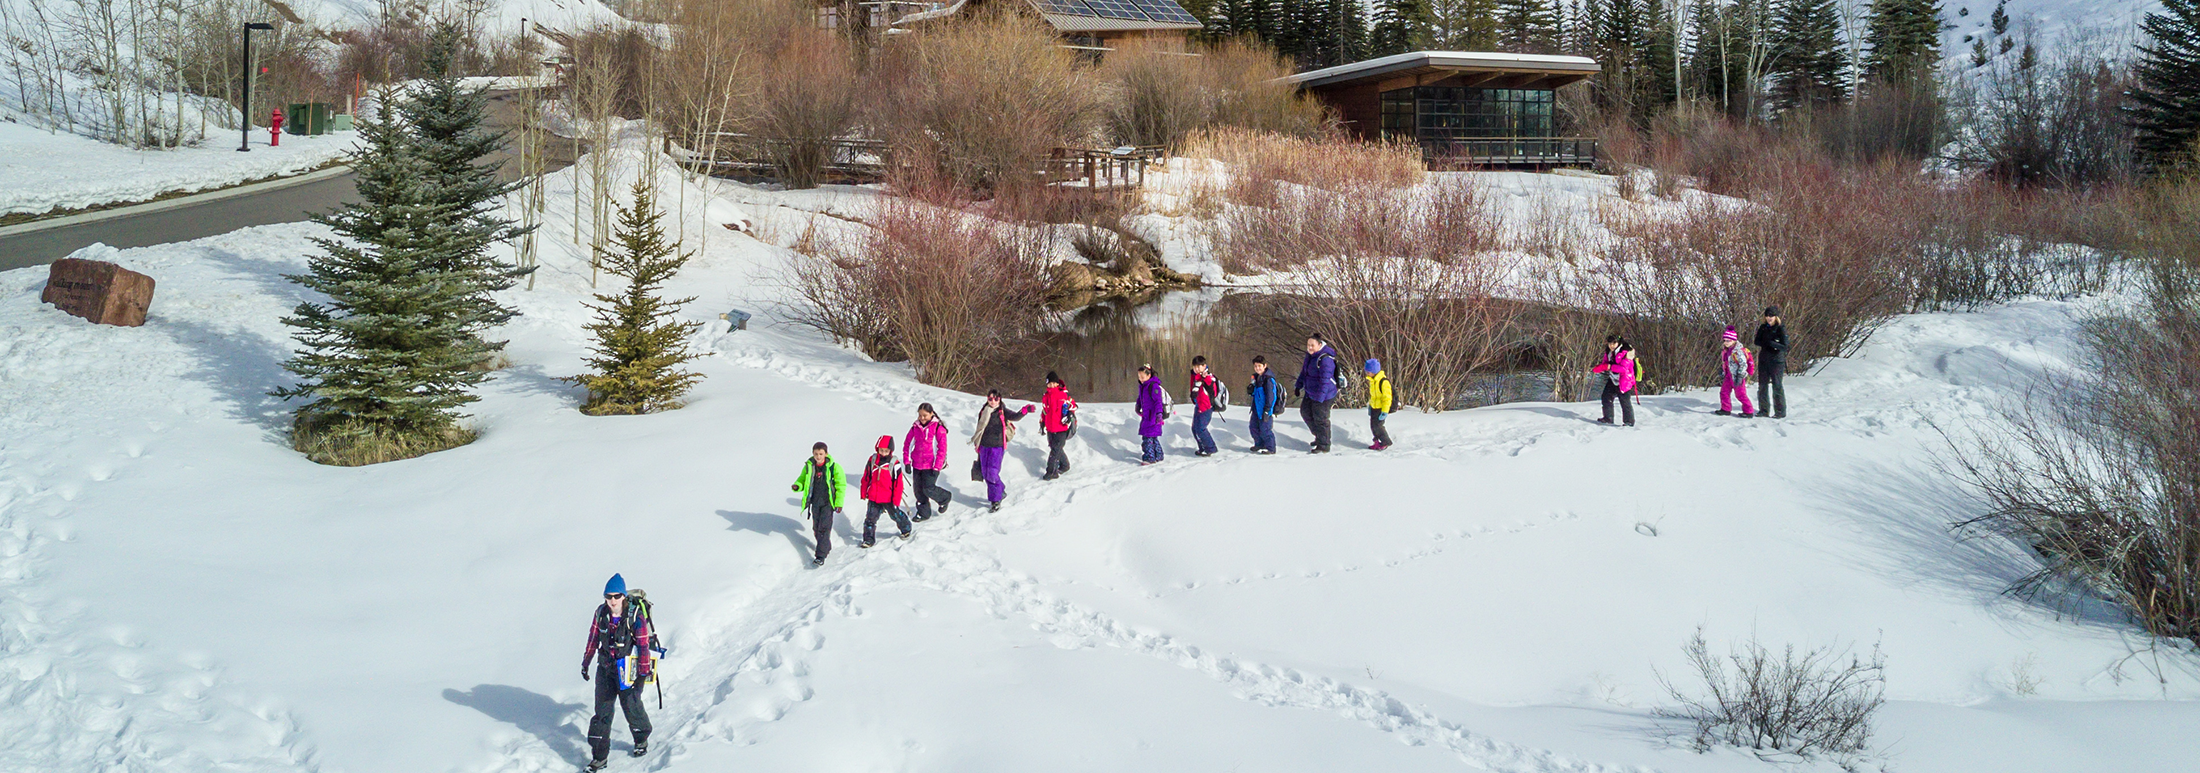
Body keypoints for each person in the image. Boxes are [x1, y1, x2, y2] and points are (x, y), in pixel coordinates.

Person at [582, 574, 652, 770]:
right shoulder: (601, 613)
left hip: (627, 670)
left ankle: (641, 738)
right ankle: (599, 757)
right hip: (605, 669)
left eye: (616, 596)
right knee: (602, 712)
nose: (612, 601)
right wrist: (586, 662)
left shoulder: (634, 616)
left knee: (631, 706)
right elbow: (593, 638)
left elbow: (643, 644)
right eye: (608, 596)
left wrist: (643, 673)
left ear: (623, 596)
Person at [971, 390, 1034, 512]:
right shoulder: (984, 411)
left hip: (997, 446)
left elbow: (1015, 416)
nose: (993, 401)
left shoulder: (1002, 411)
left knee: (992, 473)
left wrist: (1024, 411)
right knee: (985, 473)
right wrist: (977, 444)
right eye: (990, 399)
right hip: (984, 446)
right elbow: (979, 428)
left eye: (996, 399)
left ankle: (995, 500)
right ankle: (1000, 490)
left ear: (1000, 399)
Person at [789, 442, 844, 566]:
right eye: (816, 454)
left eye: (821, 454)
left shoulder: (833, 467)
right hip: (815, 502)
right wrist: (797, 486)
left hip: (828, 503)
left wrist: (838, 503)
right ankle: (826, 546)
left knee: (824, 528)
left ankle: (820, 555)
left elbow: (841, 485)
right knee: (816, 528)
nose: (818, 457)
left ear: (826, 454)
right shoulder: (810, 467)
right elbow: (803, 479)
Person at [858, 435, 913, 548]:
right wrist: (864, 491)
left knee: (895, 515)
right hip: (874, 496)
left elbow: (898, 483)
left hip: (889, 497)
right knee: (870, 519)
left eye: (886, 451)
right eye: (881, 450)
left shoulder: (894, 463)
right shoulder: (872, 460)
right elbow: (866, 477)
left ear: (890, 451)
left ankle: (906, 528)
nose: (883, 453)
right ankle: (868, 539)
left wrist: (896, 499)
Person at [902, 403, 953, 521]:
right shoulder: (915, 427)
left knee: (928, 488)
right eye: (920, 415)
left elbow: (942, 449)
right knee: (918, 491)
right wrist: (907, 461)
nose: (922, 418)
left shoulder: (938, 428)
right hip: (917, 464)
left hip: (931, 465)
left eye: (925, 415)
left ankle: (944, 498)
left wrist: (937, 467)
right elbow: (907, 444)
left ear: (931, 414)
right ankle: (923, 513)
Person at [1294, 334, 1343, 453]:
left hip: (1325, 394)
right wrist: (1298, 385)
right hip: (1311, 391)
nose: (1309, 348)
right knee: (1305, 412)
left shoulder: (1325, 359)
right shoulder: (1310, 357)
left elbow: (1325, 380)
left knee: (1321, 418)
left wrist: (1320, 397)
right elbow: (1304, 372)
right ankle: (1320, 436)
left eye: (1312, 345)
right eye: (1308, 345)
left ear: (1319, 345)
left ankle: (1324, 445)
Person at [1591, 335, 1638, 426]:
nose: (1611, 345)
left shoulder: (1626, 352)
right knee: (1606, 397)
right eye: (1609, 343)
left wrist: (1609, 367)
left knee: (1625, 401)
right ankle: (1608, 418)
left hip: (1625, 380)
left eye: (1614, 343)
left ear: (1619, 342)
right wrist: (1600, 367)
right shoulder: (1609, 351)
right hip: (1613, 378)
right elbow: (1606, 362)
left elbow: (1623, 368)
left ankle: (1629, 422)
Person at [1753, 306, 1789, 419]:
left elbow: (1786, 346)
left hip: (1777, 361)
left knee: (1777, 385)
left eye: (1771, 316)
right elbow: (1756, 341)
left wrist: (1773, 343)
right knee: (1762, 385)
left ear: (1776, 317)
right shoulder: (1763, 327)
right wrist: (1765, 342)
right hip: (1764, 359)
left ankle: (1780, 411)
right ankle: (1763, 410)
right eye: (1767, 316)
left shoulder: (1780, 328)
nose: (1769, 318)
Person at [1040, 372, 1077, 480]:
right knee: (1055, 448)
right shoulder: (1045, 396)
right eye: (1049, 383)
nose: (1051, 386)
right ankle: (1065, 466)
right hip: (1050, 428)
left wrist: (1069, 414)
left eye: (1053, 383)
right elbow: (1044, 411)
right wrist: (1042, 423)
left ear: (1057, 383)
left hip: (1061, 428)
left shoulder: (1063, 395)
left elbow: (1073, 406)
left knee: (1055, 451)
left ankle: (1051, 472)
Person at [1715, 326, 1757, 418]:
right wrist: (1723, 371)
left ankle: (1748, 411)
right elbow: (1726, 362)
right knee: (1724, 392)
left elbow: (1743, 364)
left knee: (1740, 394)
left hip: (1737, 376)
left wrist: (1740, 376)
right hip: (1728, 375)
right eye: (1725, 340)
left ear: (1734, 340)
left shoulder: (1738, 352)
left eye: (1728, 340)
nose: (1726, 343)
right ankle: (1725, 409)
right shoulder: (1726, 350)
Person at [1245, 356, 1283, 454]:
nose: (1257, 368)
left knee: (1265, 429)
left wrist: (1267, 409)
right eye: (1255, 366)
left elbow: (1271, 396)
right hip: (1256, 408)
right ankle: (1259, 444)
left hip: (1265, 409)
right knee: (1253, 427)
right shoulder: (1256, 378)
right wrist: (1251, 391)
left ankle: (1271, 448)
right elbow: (1257, 394)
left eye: (1259, 366)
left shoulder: (1268, 380)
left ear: (1265, 366)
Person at [1187, 356, 1222, 457]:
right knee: (1195, 428)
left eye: (1199, 366)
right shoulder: (1194, 376)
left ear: (1204, 366)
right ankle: (1202, 447)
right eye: (1195, 367)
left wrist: (1205, 378)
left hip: (1206, 407)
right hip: (1198, 405)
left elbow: (1212, 391)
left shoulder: (1208, 377)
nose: (1197, 369)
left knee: (1201, 428)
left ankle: (1210, 448)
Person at [1135, 364, 1168, 464]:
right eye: (1139, 377)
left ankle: (1149, 457)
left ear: (1149, 375)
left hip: (1152, 417)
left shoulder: (1153, 386)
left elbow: (1158, 401)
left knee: (1147, 437)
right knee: (1152, 437)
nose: (1141, 379)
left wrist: (1159, 414)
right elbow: (1141, 398)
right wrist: (1138, 405)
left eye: (1143, 377)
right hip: (1147, 415)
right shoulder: (1143, 386)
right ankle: (1158, 454)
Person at [1363, 358, 1394, 450]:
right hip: (1374, 408)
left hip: (1381, 408)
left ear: (1374, 371)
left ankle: (1385, 442)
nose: (1367, 373)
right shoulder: (1373, 381)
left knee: (1378, 426)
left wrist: (1385, 411)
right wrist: (1370, 406)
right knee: (1373, 426)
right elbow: (1373, 396)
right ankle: (1376, 442)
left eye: (1369, 372)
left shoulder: (1383, 382)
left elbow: (1387, 398)